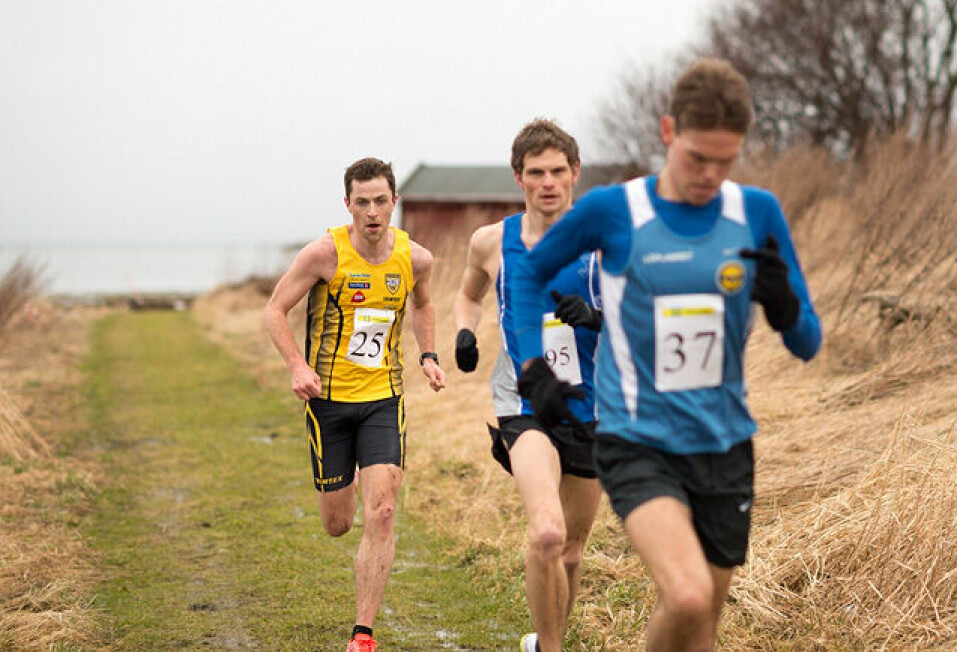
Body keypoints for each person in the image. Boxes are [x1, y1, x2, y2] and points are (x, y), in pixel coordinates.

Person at [511, 59, 822, 652]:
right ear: (668, 131)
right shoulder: (614, 210)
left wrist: (784, 307)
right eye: (698, 157)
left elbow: (808, 341)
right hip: (637, 440)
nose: (710, 175)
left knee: (699, 623)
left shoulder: (755, 213)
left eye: (725, 161)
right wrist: (533, 364)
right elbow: (528, 273)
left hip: (726, 445)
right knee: (686, 595)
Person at [264, 157, 446, 652]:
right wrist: (298, 367)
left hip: (384, 399)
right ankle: (348, 486)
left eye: (380, 201)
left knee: (383, 512)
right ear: (348, 204)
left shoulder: (416, 259)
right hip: (329, 403)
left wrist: (428, 355)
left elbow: (424, 303)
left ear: (394, 202)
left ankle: (362, 634)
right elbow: (275, 310)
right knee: (338, 524)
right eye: (361, 202)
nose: (372, 211)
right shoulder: (324, 254)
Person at [453, 119, 603, 652]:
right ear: (519, 177)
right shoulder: (492, 242)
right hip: (523, 403)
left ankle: (544, 640)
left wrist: (596, 317)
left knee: (572, 552)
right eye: (536, 172)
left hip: (591, 408)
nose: (548, 182)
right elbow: (469, 294)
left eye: (557, 171)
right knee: (545, 532)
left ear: (574, 174)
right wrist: (465, 331)